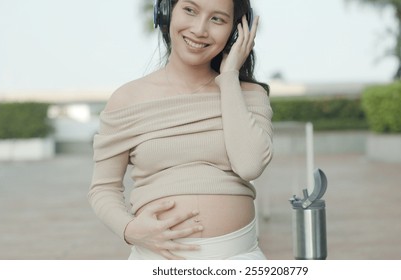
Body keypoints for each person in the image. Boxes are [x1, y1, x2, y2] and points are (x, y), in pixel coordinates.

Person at [88, 0, 273, 260]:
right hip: (155, 261)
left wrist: (229, 77)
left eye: (217, 19)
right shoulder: (127, 99)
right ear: (165, 13)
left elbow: (250, 166)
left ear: (236, 31)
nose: (200, 29)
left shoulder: (249, 95)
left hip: (239, 258)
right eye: (190, 10)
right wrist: (129, 229)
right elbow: (103, 189)